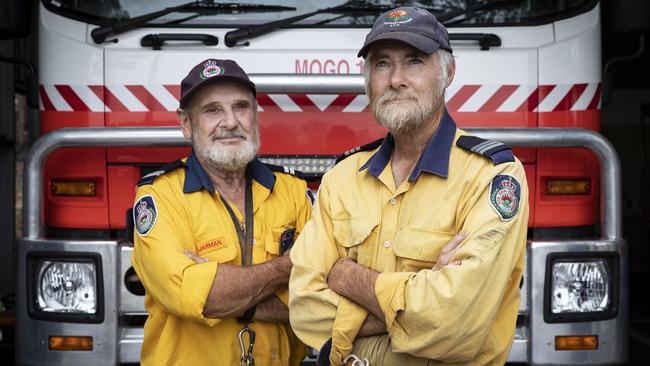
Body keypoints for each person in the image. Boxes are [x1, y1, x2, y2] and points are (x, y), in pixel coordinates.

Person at [289, 7, 529, 365]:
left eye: (414, 61)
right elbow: (304, 310)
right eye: (382, 64)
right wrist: (417, 300)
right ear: (368, 80)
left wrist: (347, 275)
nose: (396, 79)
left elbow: (455, 323)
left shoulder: (491, 176)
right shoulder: (342, 177)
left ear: (448, 73)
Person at [131, 58, 312, 365]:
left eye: (241, 107)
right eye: (212, 110)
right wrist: (287, 267)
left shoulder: (293, 191)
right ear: (186, 123)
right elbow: (194, 296)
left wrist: (225, 293)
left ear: (254, 116)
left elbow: (322, 299)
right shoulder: (160, 196)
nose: (230, 122)